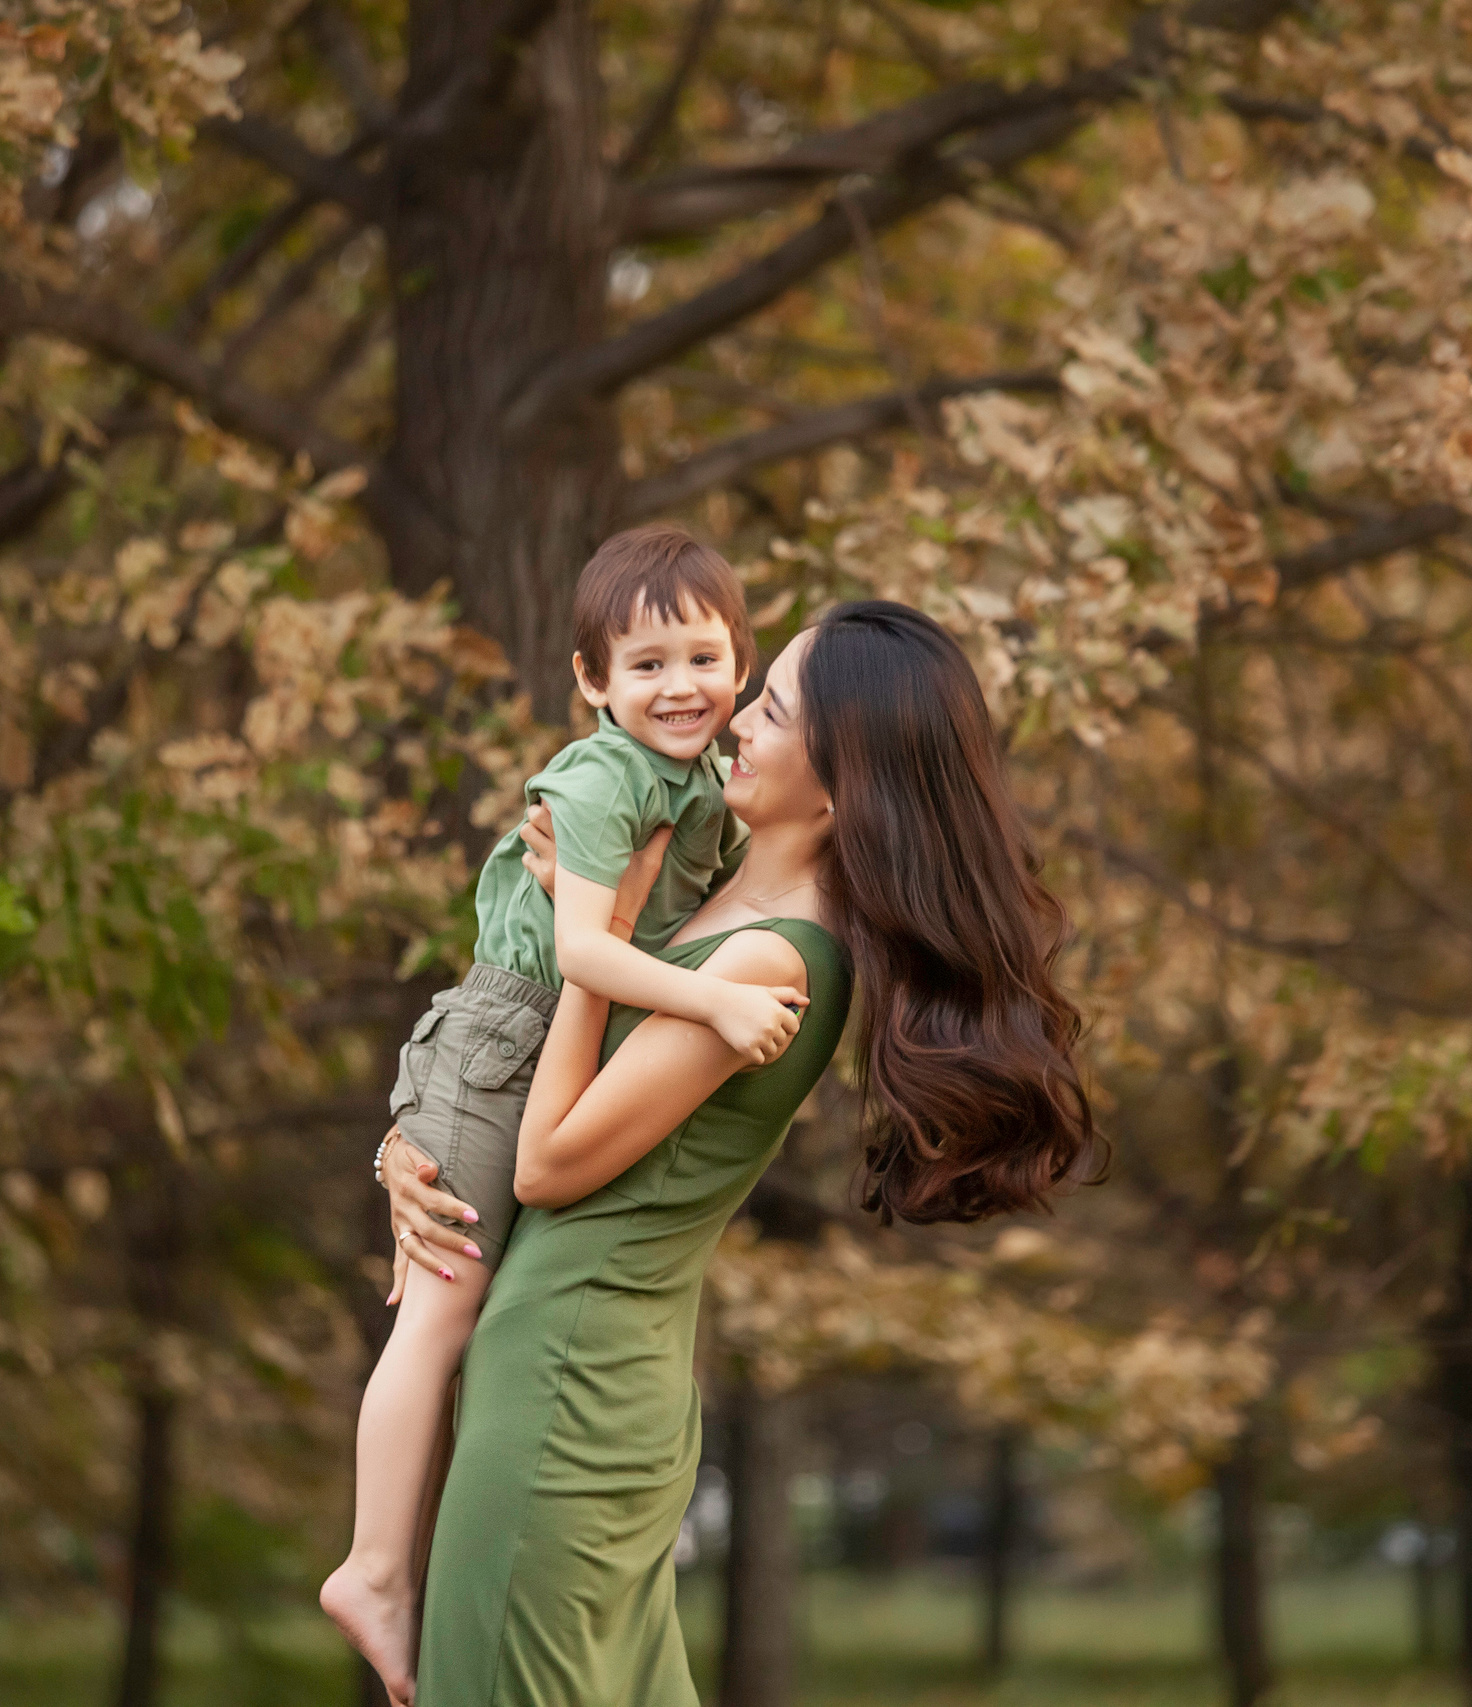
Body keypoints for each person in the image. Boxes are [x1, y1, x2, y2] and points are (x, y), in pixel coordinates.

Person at [377, 600, 1101, 1707]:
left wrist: (602, 937)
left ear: (841, 779)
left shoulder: (769, 958)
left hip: (568, 1391)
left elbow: (549, 1165)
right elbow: (527, 1067)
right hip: (590, 1374)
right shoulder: (723, 898)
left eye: (769, 707)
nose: (731, 719)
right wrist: (417, 1150)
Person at [320, 525, 813, 1699]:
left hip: (536, 1046)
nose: (680, 687)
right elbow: (590, 948)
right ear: (590, 683)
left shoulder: (708, 793)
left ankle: (387, 1562)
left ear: (737, 663)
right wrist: (712, 1001)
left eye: (702, 659)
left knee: (451, 1299)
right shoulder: (600, 779)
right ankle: (375, 1567)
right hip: (501, 1043)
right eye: (643, 666)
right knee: (436, 1309)